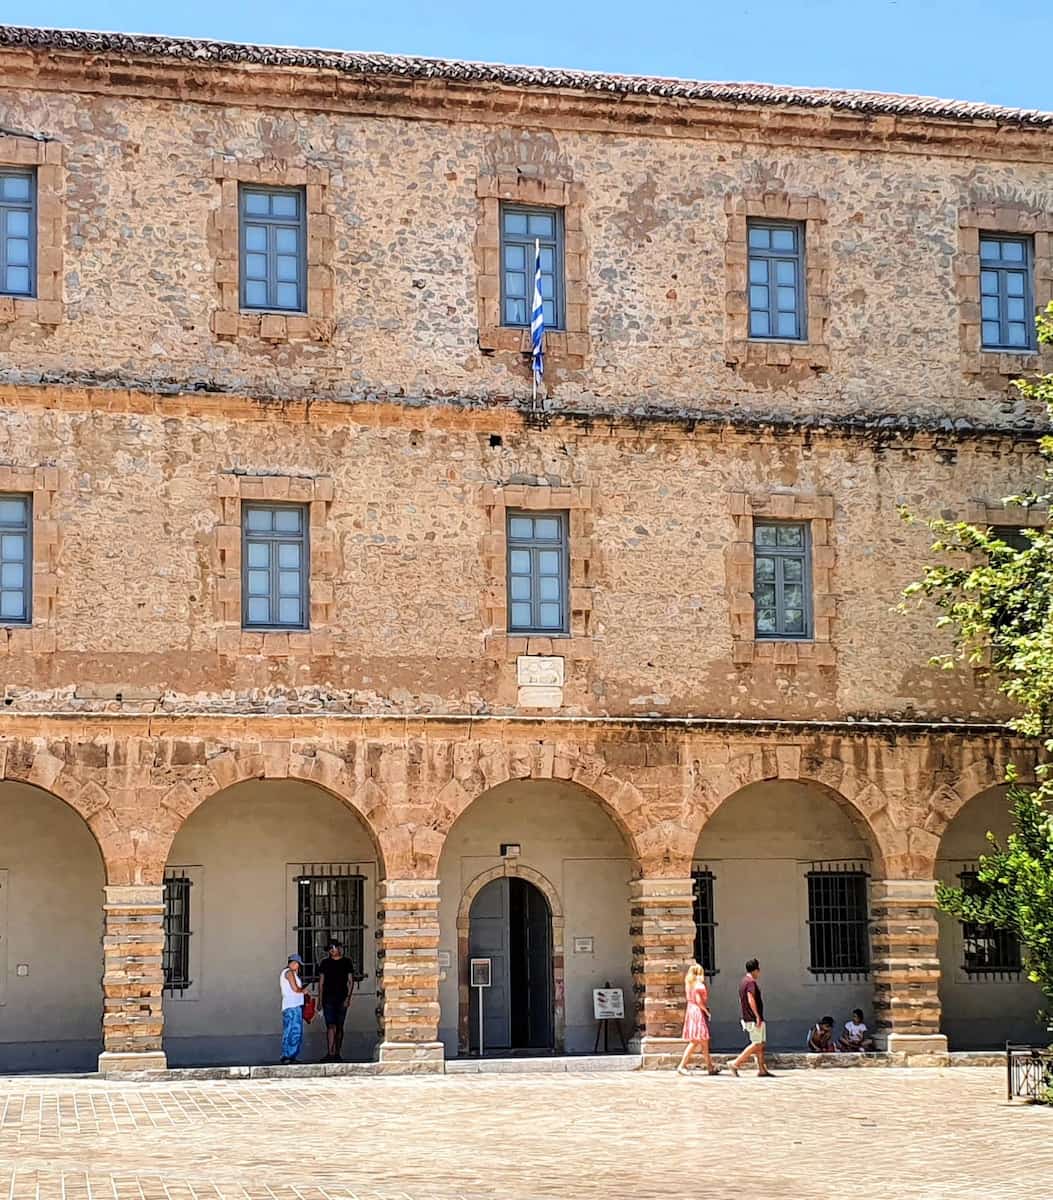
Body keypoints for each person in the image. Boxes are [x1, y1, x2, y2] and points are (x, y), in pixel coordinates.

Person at [728, 957, 773, 1078]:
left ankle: (762, 1069)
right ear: (755, 970)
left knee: (761, 1044)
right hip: (753, 1018)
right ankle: (735, 1063)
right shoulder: (750, 982)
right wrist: (757, 1016)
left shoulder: (743, 982)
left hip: (749, 1017)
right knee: (757, 1043)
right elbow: (750, 998)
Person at [677, 962, 721, 1076]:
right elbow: (699, 1001)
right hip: (697, 1011)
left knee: (704, 1041)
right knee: (696, 1040)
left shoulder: (689, 984)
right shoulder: (698, 985)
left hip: (691, 1010)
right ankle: (681, 1065)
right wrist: (706, 1011)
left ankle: (710, 1067)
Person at [316, 939, 356, 1062]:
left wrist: (348, 998)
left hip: (342, 998)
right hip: (328, 998)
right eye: (331, 948)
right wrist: (319, 1000)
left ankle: (337, 1052)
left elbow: (351, 981)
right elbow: (321, 983)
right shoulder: (325, 963)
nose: (334, 950)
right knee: (330, 1025)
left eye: (336, 947)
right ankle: (330, 1052)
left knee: (339, 1026)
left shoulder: (346, 962)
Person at [279, 953, 309, 1064]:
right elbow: (295, 988)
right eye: (297, 964)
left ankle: (289, 1055)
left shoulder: (288, 973)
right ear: (294, 963)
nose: (298, 967)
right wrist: (303, 991)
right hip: (292, 1006)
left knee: (291, 1030)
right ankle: (288, 1055)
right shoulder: (289, 973)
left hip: (292, 1005)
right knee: (294, 1031)